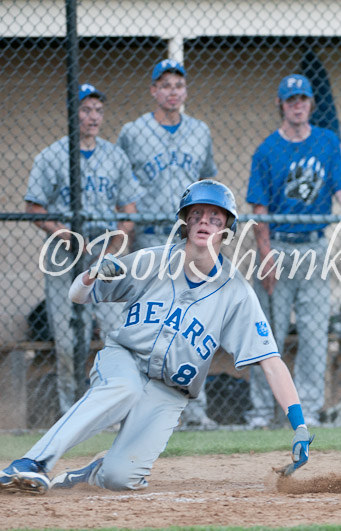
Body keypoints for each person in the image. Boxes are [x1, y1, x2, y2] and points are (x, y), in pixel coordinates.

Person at [0, 180, 313, 494]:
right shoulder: (151, 260)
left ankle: (98, 469)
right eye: (197, 214)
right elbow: (78, 295)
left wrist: (298, 424)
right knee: (123, 388)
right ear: (185, 223)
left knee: (120, 479)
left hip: (170, 392)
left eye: (215, 217)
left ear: (227, 229)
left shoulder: (237, 293)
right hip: (124, 360)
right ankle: (31, 463)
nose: (205, 221)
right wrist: (90, 274)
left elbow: (271, 361)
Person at [246, 74, 341, 428]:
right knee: (267, 336)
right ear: (281, 104)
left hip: (314, 247)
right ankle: (264, 412)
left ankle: (305, 411)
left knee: (313, 333)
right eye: (290, 99)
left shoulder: (326, 142)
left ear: (310, 103)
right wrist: (265, 257)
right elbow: (258, 211)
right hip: (277, 246)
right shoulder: (266, 150)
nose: (297, 105)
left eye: (303, 99)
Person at [24, 83, 141, 416]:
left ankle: (111, 409)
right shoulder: (51, 155)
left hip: (103, 253)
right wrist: (64, 234)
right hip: (63, 254)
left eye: (98, 110)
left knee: (115, 333)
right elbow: (35, 208)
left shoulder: (114, 156)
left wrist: (114, 247)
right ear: (72, 114)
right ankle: (71, 410)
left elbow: (129, 211)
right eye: (85, 110)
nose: (93, 117)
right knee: (66, 339)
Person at [118, 59, 219, 429]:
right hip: (148, 234)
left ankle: (194, 409)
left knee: (195, 320)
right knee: (149, 322)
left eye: (179, 84)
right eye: (165, 84)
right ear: (153, 91)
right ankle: (142, 407)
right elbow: (120, 184)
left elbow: (209, 183)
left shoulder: (199, 131)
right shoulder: (133, 132)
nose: (173, 91)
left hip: (188, 236)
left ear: (185, 91)